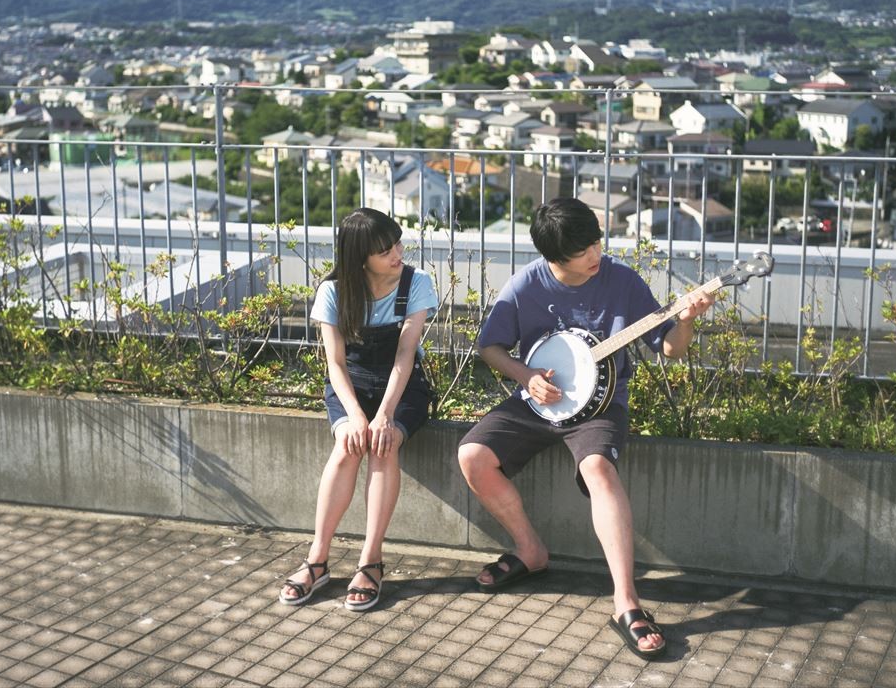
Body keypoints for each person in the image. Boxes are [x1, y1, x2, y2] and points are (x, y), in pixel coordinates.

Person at [458, 197, 712, 659]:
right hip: (537, 402)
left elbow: (669, 349)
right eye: (584, 250)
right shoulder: (526, 285)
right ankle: (530, 550)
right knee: (472, 456)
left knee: (598, 469)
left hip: (599, 407)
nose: (597, 254)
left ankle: (626, 602)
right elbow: (491, 346)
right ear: (555, 257)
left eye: (597, 241)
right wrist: (526, 378)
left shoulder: (622, 281)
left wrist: (688, 319)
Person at [279, 208, 437, 612]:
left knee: (384, 445)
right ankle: (317, 560)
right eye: (385, 250)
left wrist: (384, 414)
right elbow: (334, 362)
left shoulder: (416, 283)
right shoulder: (333, 292)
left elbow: (405, 355)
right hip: (350, 383)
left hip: (403, 387)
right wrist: (353, 414)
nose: (397, 253)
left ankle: (371, 561)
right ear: (360, 257)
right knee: (348, 446)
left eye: (397, 243)